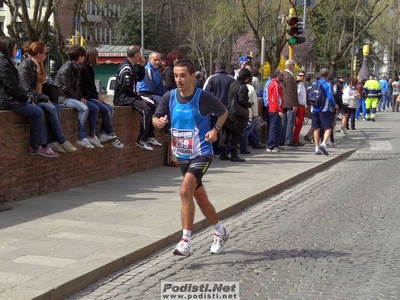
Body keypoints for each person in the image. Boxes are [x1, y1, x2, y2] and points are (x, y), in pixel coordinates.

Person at [152, 59, 229, 256]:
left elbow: (223, 112)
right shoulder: (169, 96)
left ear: (193, 77)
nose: (179, 79)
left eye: (183, 75)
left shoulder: (203, 97)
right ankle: (220, 231)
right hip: (182, 156)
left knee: (185, 190)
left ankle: (186, 241)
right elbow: (155, 117)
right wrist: (158, 122)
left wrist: (215, 130)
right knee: (199, 198)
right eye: (176, 75)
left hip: (202, 152)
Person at [0, 36, 58, 157]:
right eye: (15, 48)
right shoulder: (4, 64)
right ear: (8, 48)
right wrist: (27, 99)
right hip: (6, 100)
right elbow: (13, 87)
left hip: (10, 98)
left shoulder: (7, 62)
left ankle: (45, 143)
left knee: (41, 109)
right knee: (37, 112)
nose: (17, 51)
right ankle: (35, 146)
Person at [18, 41, 76, 154]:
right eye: (45, 53)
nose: (46, 55)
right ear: (39, 54)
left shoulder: (38, 65)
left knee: (57, 107)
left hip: (36, 97)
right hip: (31, 98)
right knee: (50, 108)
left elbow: (40, 84)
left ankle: (53, 141)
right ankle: (60, 140)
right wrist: (43, 97)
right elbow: (27, 89)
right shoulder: (25, 66)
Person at [54, 45, 101, 149]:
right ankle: (81, 137)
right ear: (80, 57)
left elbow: (77, 86)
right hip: (63, 98)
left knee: (94, 108)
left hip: (71, 96)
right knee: (84, 108)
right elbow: (66, 89)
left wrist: (81, 97)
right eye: (83, 56)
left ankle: (92, 135)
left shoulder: (76, 67)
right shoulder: (67, 68)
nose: (84, 59)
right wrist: (78, 99)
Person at [113, 45, 159, 151]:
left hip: (130, 96)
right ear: (136, 55)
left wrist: (142, 66)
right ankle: (141, 140)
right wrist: (139, 98)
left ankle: (150, 136)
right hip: (123, 98)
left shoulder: (131, 66)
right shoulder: (126, 67)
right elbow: (126, 88)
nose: (141, 56)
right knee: (146, 110)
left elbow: (139, 77)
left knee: (152, 106)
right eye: (139, 54)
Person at [80, 47, 124, 149]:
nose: (98, 58)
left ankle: (105, 132)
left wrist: (98, 95)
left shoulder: (90, 68)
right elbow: (83, 88)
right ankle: (106, 133)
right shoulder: (83, 68)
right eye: (97, 56)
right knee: (104, 109)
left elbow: (92, 86)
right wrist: (95, 96)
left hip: (92, 96)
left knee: (110, 109)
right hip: (87, 97)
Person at [219, 68, 252, 162]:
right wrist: (248, 104)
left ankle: (223, 154)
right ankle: (234, 155)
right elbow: (242, 100)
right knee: (235, 134)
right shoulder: (243, 87)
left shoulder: (232, 84)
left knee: (225, 133)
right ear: (247, 77)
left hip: (228, 111)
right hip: (237, 114)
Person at [203, 60, 235, 155]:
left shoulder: (211, 79)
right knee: (227, 131)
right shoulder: (232, 79)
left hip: (215, 110)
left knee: (215, 129)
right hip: (229, 109)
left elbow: (205, 93)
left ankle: (216, 150)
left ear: (216, 68)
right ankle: (226, 150)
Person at [311, 68, 338, 156]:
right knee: (328, 127)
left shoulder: (315, 83)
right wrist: (334, 105)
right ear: (328, 75)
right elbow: (330, 97)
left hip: (315, 108)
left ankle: (316, 148)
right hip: (324, 109)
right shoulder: (327, 84)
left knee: (316, 128)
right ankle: (324, 144)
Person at [280, 59, 298, 147]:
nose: (294, 67)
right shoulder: (289, 77)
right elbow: (290, 92)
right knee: (290, 122)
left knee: (283, 122)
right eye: (293, 65)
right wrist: (294, 104)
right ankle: (288, 140)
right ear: (290, 66)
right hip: (290, 103)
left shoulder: (283, 75)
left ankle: (282, 139)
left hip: (284, 102)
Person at [266, 70, 284, 152]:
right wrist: (279, 110)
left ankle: (274, 145)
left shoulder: (273, 84)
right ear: (277, 75)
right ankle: (271, 145)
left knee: (275, 127)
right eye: (281, 75)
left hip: (273, 108)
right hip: (275, 109)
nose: (282, 77)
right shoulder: (275, 84)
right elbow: (276, 98)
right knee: (274, 127)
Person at [293, 70, 307, 146]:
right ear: (297, 76)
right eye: (300, 76)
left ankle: (296, 138)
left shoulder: (303, 85)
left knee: (301, 123)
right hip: (298, 106)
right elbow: (296, 94)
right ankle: (295, 139)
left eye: (303, 76)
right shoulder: (297, 85)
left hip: (303, 106)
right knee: (298, 123)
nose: (302, 77)